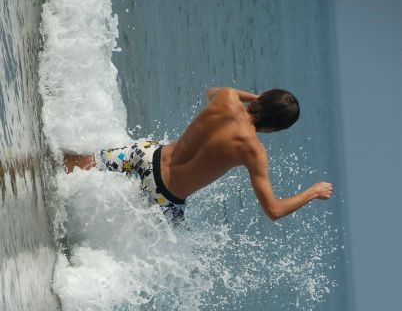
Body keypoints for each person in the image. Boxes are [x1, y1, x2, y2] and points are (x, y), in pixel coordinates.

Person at [64, 87, 333, 223]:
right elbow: (273, 210)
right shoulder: (254, 151)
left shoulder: (227, 98)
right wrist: (312, 192)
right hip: (164, 198)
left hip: (146, 156)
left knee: (74, 166)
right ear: (273, 129)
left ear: (259, 99)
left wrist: (259, 99)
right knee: (138, 253)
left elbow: (210, 92)